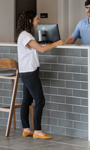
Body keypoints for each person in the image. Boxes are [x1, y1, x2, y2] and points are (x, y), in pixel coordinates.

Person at [16, 9, 63, 140]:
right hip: (30, 73)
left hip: (26, 72)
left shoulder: (23, 35)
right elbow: (42, 50)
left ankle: (26, 129)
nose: (39, 21)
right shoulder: (26, 35)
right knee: (40, 100)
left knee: (27, 100)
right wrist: (56, 43)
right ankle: (37, 130)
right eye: (37, 19)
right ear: (30, 21)